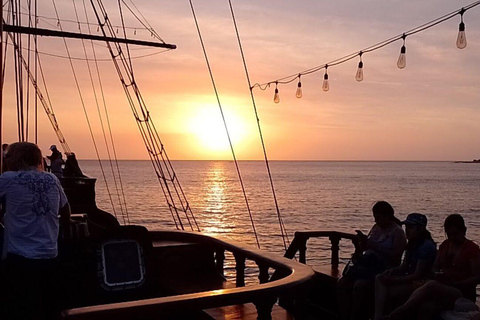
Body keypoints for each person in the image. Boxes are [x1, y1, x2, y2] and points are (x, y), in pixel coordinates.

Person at [0, 142, 71, 319]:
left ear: (15, 158)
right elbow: (65, 209)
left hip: (20, 257)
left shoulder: (7, 179)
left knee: (20, 307)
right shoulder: (51, 179)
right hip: (50, 255)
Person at [381, 214, 480, 320]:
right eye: (449, 234)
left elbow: (477, 277)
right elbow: (435, 267)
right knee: (426, 306)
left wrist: (458, 282)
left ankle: (396, 314)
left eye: (455, 234)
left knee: (431, 285)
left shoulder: (471, 249)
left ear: (464, 231)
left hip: (461, 291)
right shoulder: (445, 245)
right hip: (444, 285)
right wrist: (439, 275)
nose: (452, 238)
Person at [337, 201, 407, 320]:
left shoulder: (398, 232)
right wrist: (362, 242)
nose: (376, 221)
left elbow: (396, 256)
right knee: (342, 283)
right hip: (368, 265)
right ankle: (343, 315)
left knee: (360, 286)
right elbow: (367, 247)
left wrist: (376, 247)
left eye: (378, 217)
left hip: (383, 267)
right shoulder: (376, 228)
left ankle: (356, 316)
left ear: (387, 216)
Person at [374, 213, 437, 319]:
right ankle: (378, 316)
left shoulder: (426, 247)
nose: (407, 230)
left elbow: (418, 274)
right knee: (379, 278)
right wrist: (392, 271)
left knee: (391, 292)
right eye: (407, 227)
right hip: (411, 279)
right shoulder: (412, 243)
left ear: (421, 229)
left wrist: (395, 280)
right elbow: (404, 266)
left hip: (420, 284)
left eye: (411, 227)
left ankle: (384, 316)